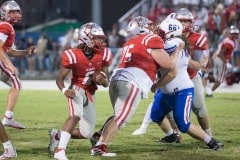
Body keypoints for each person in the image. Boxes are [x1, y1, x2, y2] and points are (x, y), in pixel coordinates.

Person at [90, 16, 182, 156]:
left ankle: (97, 136)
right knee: (121, 118)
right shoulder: (150, 39)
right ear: (141, 28)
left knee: (118, 115)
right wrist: (178, 49)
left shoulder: (130, 42)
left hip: (117, 79)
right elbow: (168, 64)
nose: (152, 28)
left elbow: (146, 61)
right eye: (148, 26)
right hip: (132, 81)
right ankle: (100, 146)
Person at [150, 18, 223, 150]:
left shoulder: (173, 43)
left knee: (183, 124)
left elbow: (171, 73)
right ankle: (172, 135)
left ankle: (211, 141)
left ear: (170, 32)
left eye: (161, 31)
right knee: (156, 115)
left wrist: (156, 85)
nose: (158, 33)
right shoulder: (177, 42)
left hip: (181, 91)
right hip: (167, 92)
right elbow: (187, 62)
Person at [50, 22, 112, 160]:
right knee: (76, 115)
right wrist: (64, 90)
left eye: (101, 38)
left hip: (90, 93)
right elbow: (60, 78)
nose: (101, 41)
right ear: (87, 38)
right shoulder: (72, 54)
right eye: (97, 38)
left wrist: (103, 81)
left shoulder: (104, 53)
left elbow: (107, 82)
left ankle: (57, 135)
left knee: (87, 133)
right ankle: (60, 151)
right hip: (77, 89)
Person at [0, 0, 36, 159]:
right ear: (5, 13)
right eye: (12, 12)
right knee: (16, 82)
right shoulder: (5, 26)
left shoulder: (9, 27)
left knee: (16, 83)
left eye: (17, 12)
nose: (16, 14)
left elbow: (11, 51)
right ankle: (8, 118)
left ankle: (8, 117)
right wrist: (10, 65)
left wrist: (26, 52)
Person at [206, 25, 239, 96]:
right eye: (234, 34)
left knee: (216, 77)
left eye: (236, 34)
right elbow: (221, 53)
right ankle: (210, 93)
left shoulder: (228, 39)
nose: (235, 35)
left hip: (218, 59)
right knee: (220, 80)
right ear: (231, 34)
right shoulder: (229, 42)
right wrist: (226, 62)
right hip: (221, 60)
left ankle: (205, 75)